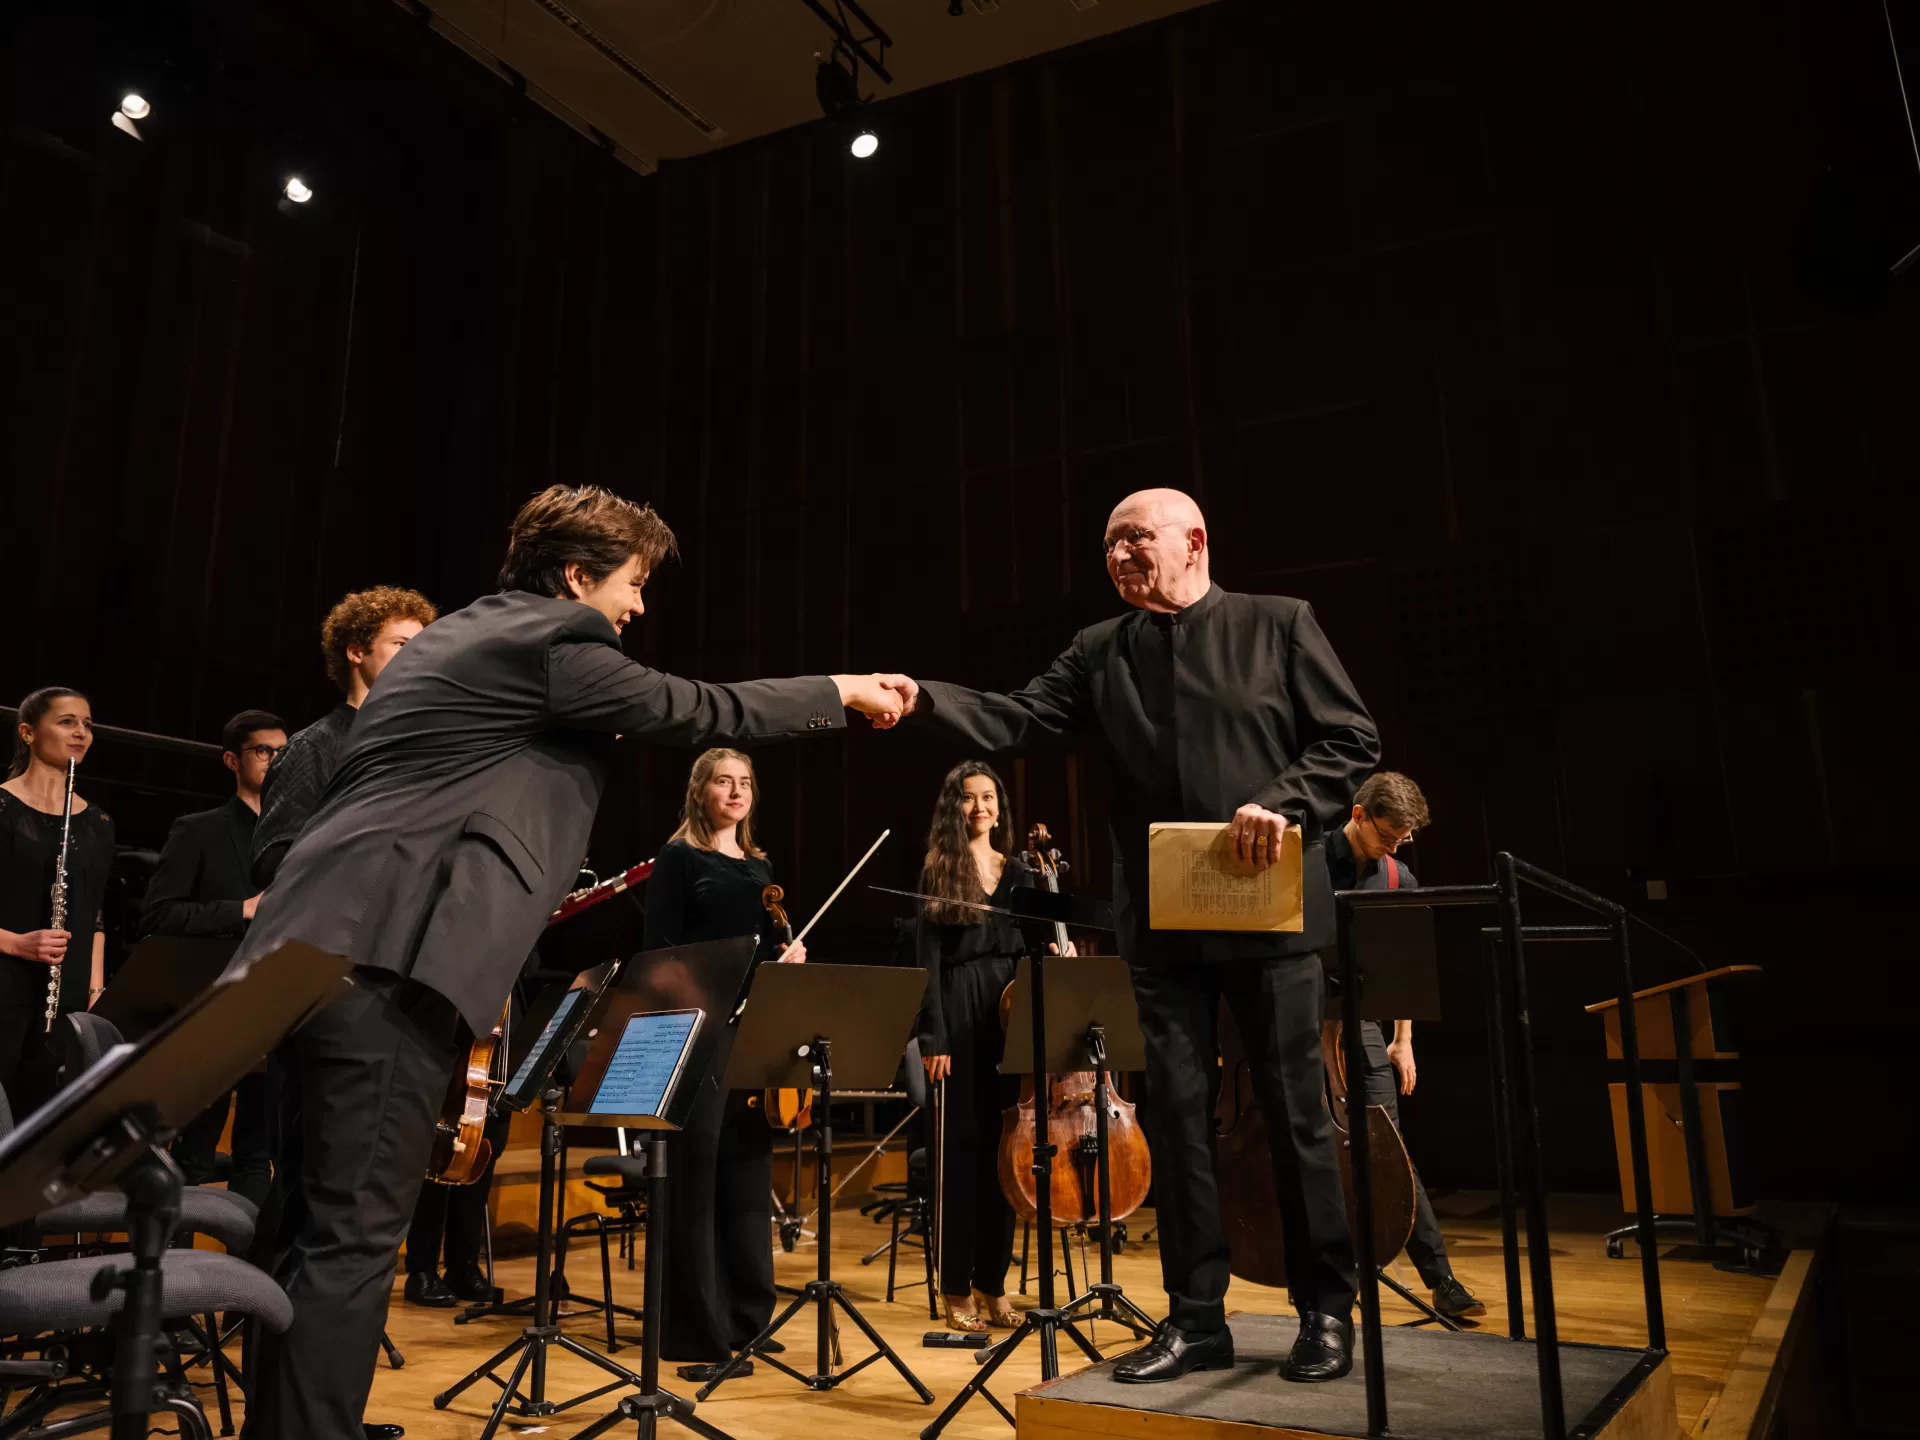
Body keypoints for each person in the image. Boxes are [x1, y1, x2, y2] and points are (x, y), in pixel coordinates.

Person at [228, 484, 904, 1440]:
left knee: (303, 1228)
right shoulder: (551, 637)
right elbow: (693, 707)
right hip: (389, 965)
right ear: (579, 577)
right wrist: (841, 690)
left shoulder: (461, 639)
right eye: (633, 584)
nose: (639, 607)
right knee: (349, 1241)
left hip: (308, 957)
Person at [879, 487, 1380, 1384]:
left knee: (1296, 1117)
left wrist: (1284, 802)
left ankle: (1325, 1312)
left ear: (1195, 541)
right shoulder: (1099, 649)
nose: (1117, 556)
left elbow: (1349, 739)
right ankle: (1197, 1320)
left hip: (1269, 917)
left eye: (1135, 538)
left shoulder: (1278, 623)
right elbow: (1017, 718)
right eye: (1108, 544)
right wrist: (925, 701)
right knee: (1179, 1123)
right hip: (1163, 924)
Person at [645, 748, 808, 1381]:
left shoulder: (761, 866)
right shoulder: (679, 859)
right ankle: (700, 1331)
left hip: (754, 1031)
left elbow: (766, 948)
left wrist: (786, 961)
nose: (736, 792)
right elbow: (660, 953)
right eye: (723, 782)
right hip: (700, 1031)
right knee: (700, 1178)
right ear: (700, 792)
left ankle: (748, 1319)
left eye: (744, 783)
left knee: (746, 1173)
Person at [1322, 771, 1481, 1321]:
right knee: (1316, 1152)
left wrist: (1403, 1040)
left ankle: (1442, 1280)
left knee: (1388, 1151)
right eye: (1388, 835)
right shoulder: (1311, 863)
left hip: (1363, 1026)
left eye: (1403, 839)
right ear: (1359, 815)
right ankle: (1326, 1281)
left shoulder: (1397, 877)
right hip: (1300, 1025)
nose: (1394, 847)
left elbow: (1404, 967)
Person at [140, 708, 287, 1212]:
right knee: (196, 1151)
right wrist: (240, 910)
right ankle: (179, 1258)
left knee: (258, 1154)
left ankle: (246, 1260)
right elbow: (158, 915)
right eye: (264, 750)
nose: (275, 760)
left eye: (283, 752)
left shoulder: (303, 837)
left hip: (274, 1007)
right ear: (232, 760)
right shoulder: (198, 830)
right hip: (210, 1007)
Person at [913, 760, 1031, 1332]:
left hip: (1008, 1011)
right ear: (953, 808)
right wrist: (933, 1036)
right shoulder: (939, 869)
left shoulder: (1021, 871)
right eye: (968, 798)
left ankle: (993, 1282)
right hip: (958, 1010)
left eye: (988, 797)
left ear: (999, 807)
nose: (980, 807)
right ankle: (956, 1287)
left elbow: (1034, 942)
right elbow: (927, 961)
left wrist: (1056, 951)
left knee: (1005, 1155)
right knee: (960, 1156)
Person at [251, 586, 437, 888]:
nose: (418, 655)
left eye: (423, 646)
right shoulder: (315, 745)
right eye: (401, 644)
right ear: (356, 652)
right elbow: (275, 861)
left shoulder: (418, 747)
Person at [0, 687, 116, 1111]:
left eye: (87, 724)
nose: (81, 733)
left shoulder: (99, 821)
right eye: (67, 722)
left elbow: (96, 913)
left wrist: (96, 989)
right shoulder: (2, 807)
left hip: (66, 992)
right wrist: (16, 943)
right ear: (28, 733)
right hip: (6, 982)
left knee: (44, 1115)